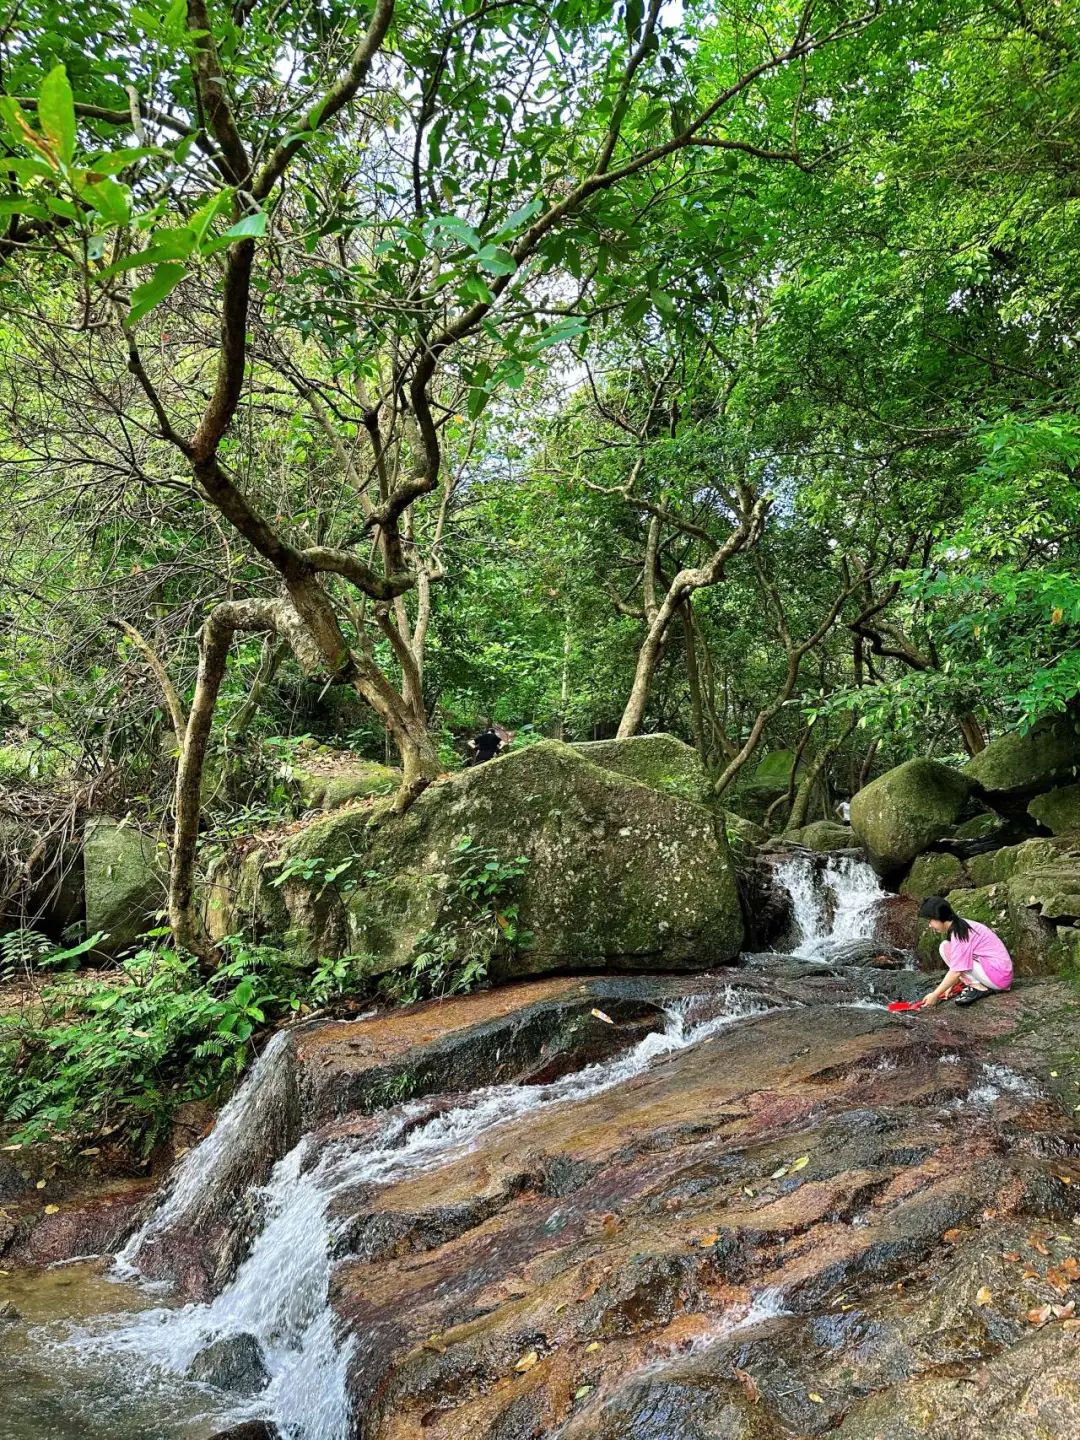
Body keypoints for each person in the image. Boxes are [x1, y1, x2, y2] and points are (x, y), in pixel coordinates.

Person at [918, 896, 1014, 1007]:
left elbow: (956, 971)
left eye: (931, 921)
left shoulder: (960, 934)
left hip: (1000, 977)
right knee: (945, 947)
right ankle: (976, 984)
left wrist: (935, 994)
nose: (930, 925)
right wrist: (950, 985)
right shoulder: (961, 925)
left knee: (956, 959)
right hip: (996, 971)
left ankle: (978, 987)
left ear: (940, 918)